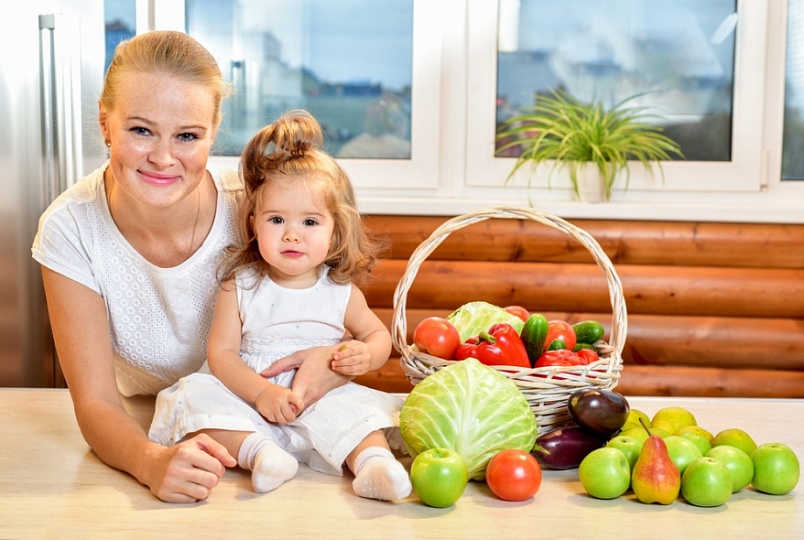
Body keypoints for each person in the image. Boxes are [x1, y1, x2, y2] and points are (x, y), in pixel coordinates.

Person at [30, 31, 349, 503]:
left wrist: (334, 363)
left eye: (187, 136)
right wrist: (148, 460)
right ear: (105, 124)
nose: (163, 157)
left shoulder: (257, 213)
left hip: (271, 427)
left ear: (213, 132)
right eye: (141, 130)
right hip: (139, 430)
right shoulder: (71, 229)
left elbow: (328, 313)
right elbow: (96, 402)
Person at [148, 109, 411, 502]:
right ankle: (262, 454)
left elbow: (377, 336)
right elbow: (221, 354)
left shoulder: (339, 290)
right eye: (276, 220)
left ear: (335, 229)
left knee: (358, 412)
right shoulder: (241, 284)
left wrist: (364, 353)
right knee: (196, 397)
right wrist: (260, 394)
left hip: (319, 396)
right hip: (250, 397)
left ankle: (374, 465)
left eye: (309, 222)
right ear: (254, 223)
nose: (291, 235)